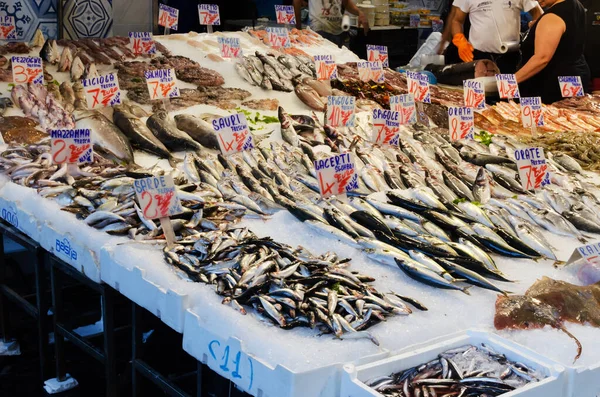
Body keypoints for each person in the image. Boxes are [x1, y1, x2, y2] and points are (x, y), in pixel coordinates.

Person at [516, 0, 591, 103]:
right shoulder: (576, 5)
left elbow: (541, 59)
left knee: (553, 117)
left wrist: (510, 81)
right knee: (569, 113)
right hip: (573, 79)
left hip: (549, 86)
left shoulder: (553, 16)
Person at [450, 0, 543, 73]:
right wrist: (460, 40)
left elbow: (538, 13)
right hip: (479, 56)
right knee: (479, 93)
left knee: (509, 94)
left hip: (510, 57)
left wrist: (538, 28)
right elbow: (456, 20)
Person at [293, 0, 369, 47]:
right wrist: (298, 27)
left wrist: (359, 12)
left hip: (339, 32)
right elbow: (297, 1)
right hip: (319, 31)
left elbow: (346, 2)